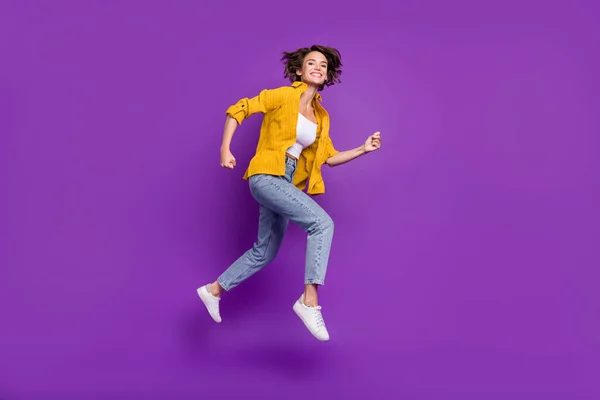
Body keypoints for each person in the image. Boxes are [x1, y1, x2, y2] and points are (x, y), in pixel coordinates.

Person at [197, 45, 381, 342]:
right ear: (299, 70)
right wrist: (225, 148)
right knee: (322, 224)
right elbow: (239, 109)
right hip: (267, 175)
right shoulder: (282, 95)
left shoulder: (321, 116)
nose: (318, 67)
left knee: (265, 251)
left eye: (323, 65)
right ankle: (309, 300)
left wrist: (362, 148)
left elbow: (328, 157)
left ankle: (213, 290)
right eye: (311, 62)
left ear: (326, 75)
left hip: (286, 181)